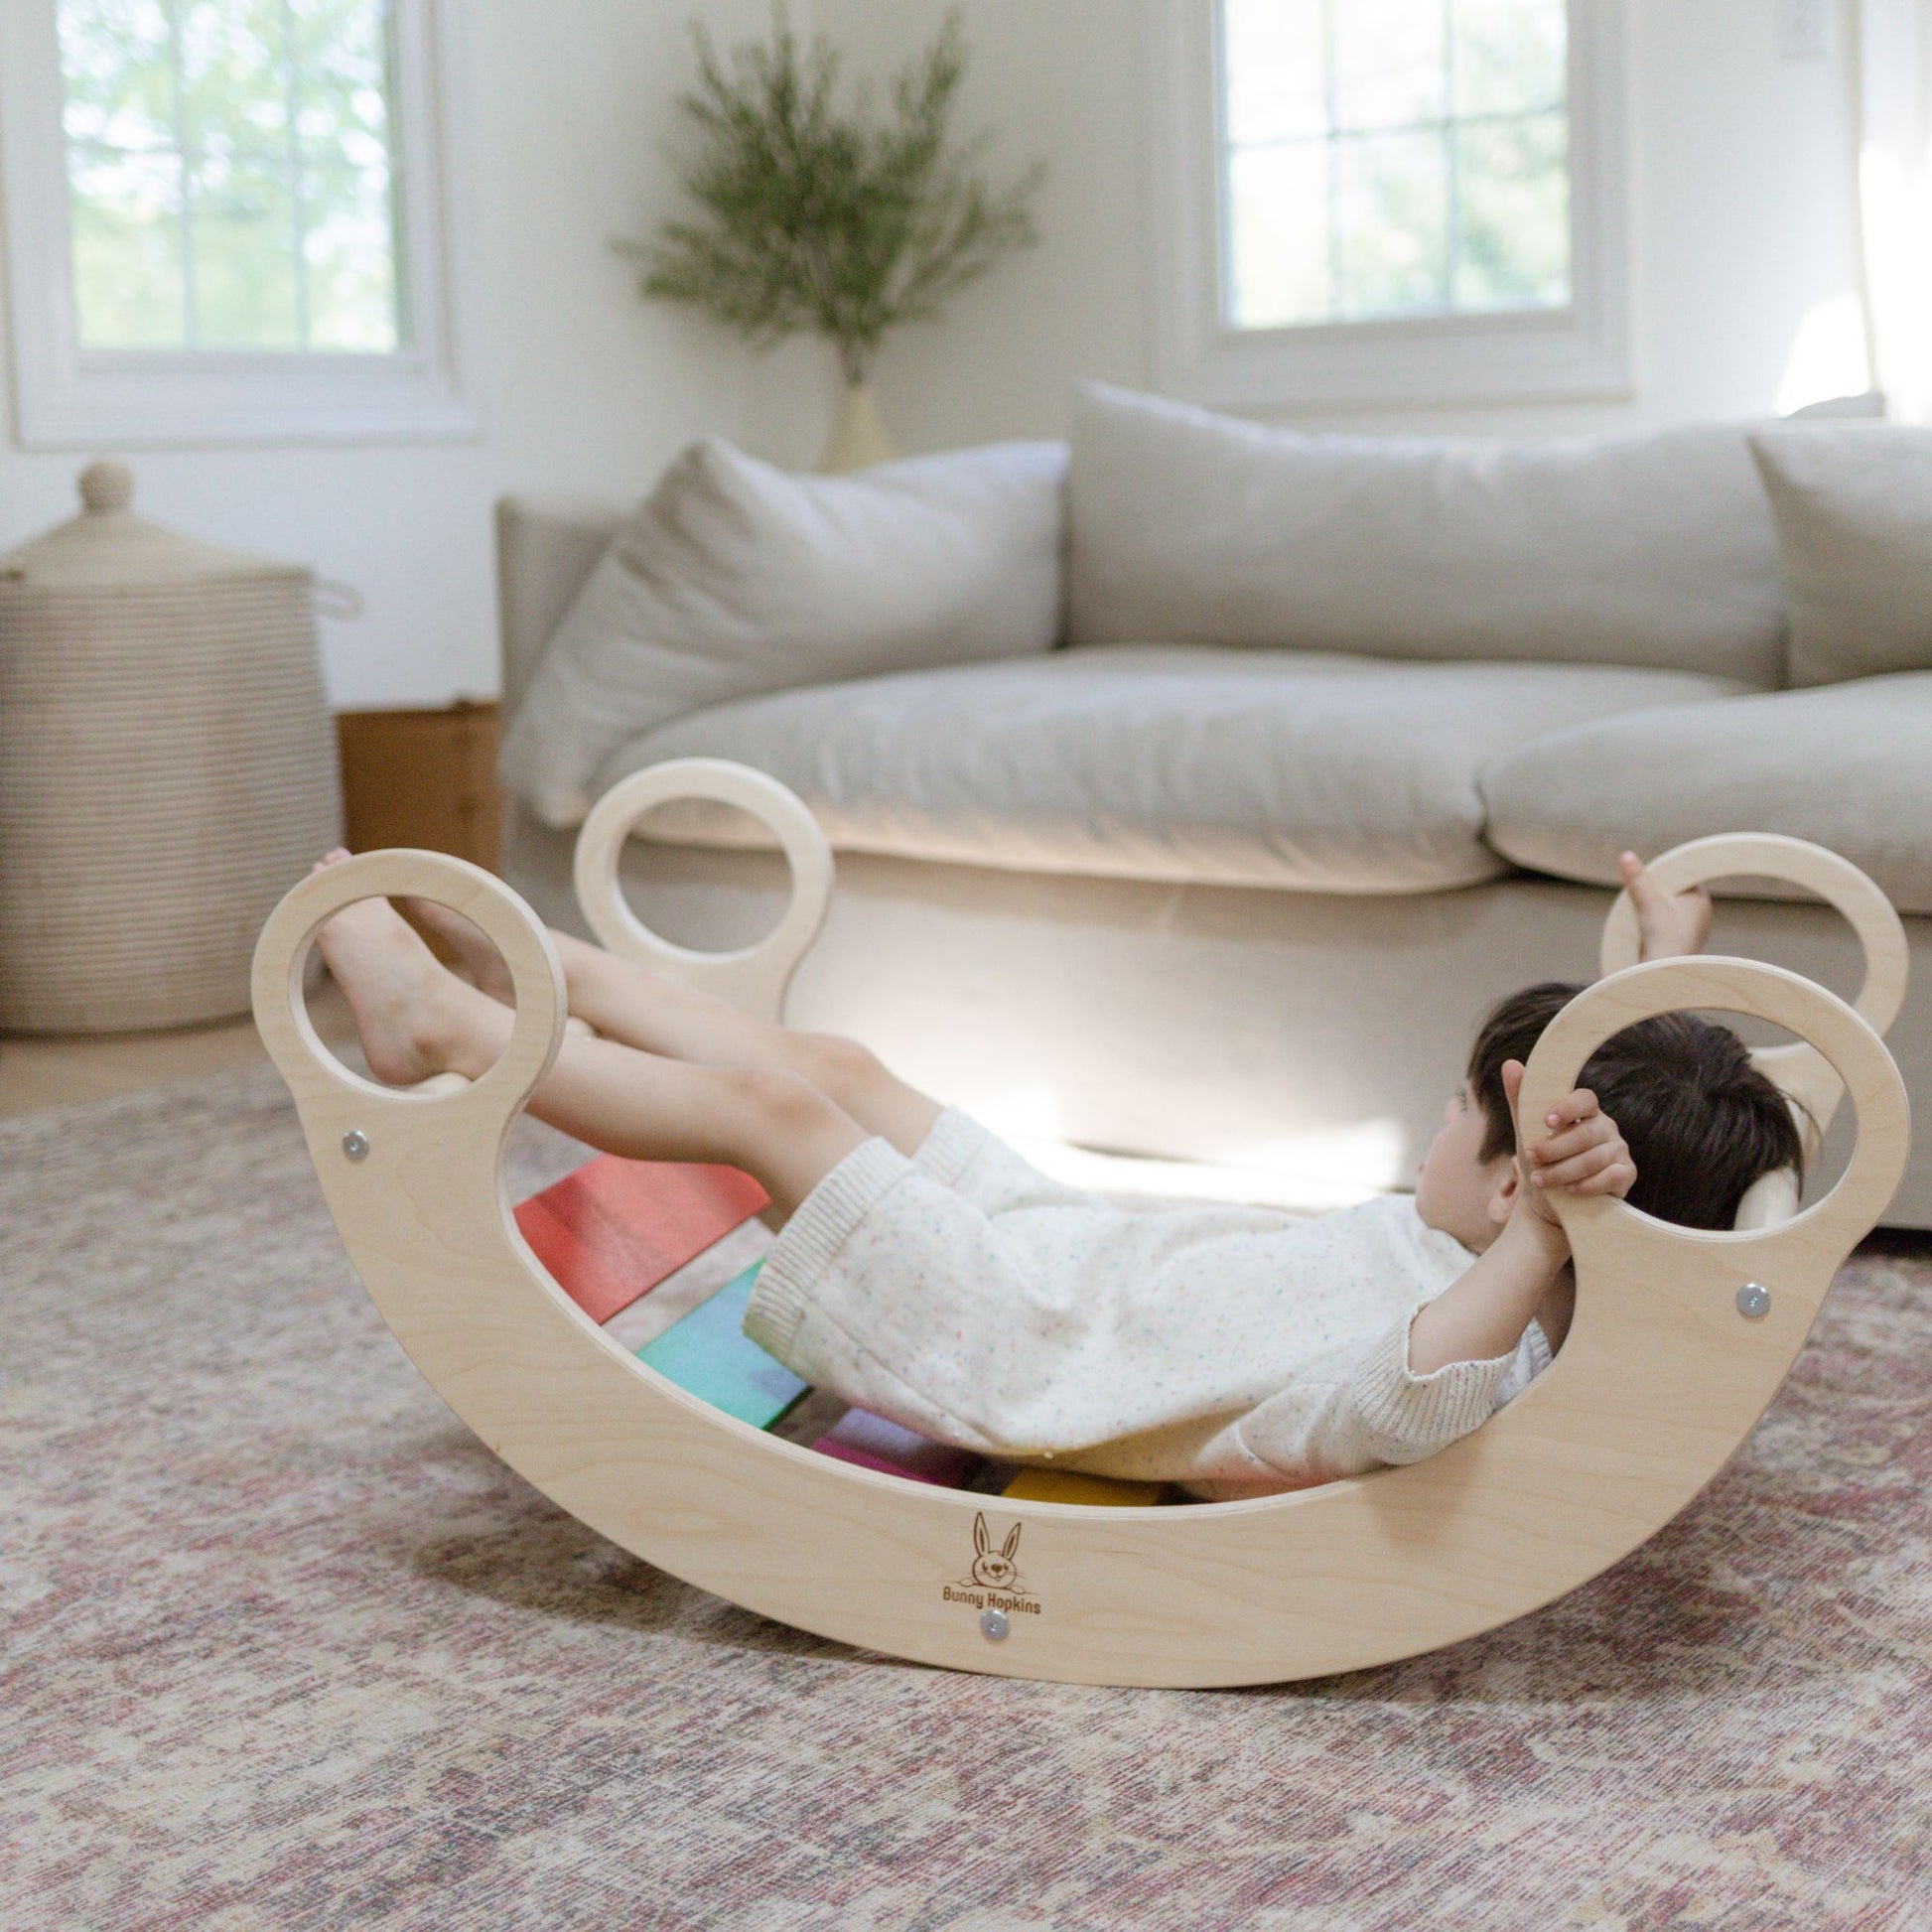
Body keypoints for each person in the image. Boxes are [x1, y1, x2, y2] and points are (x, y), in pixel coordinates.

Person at [314, 851, 1801, 1499]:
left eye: (1445, 1120)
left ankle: (439, 1026)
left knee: (776, 1111)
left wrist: (1538, 1235)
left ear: (1515, 1192)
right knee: (834, 1065)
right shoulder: (1513, 1266)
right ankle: (538, 962)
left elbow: (1386, 1408)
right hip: (1069, 1253)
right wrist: (1648, 973)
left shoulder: (1482, 1344)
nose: (1425, 1134)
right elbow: (1632, 1178)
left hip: (1017, 1335)